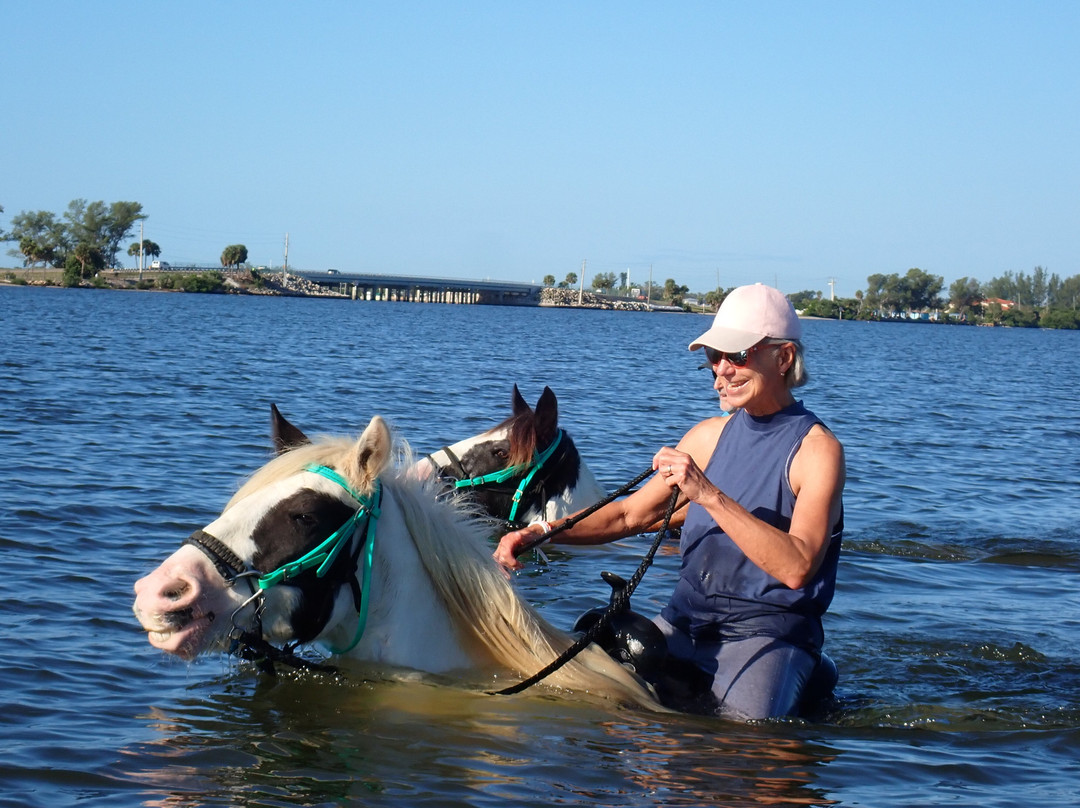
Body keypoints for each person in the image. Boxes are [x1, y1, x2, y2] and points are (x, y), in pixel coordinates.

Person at [494, 283, 845, 720]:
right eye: (713, 356)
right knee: (576, 704)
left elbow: (798, 566)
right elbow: (629, 514)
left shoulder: (817, 451)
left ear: (784, 358)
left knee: (743, 743)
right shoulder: (706, 436)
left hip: (766, 638)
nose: (721, 370)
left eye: (737, 356)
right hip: (683, 623)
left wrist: (708, 494)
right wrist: (540, 533)